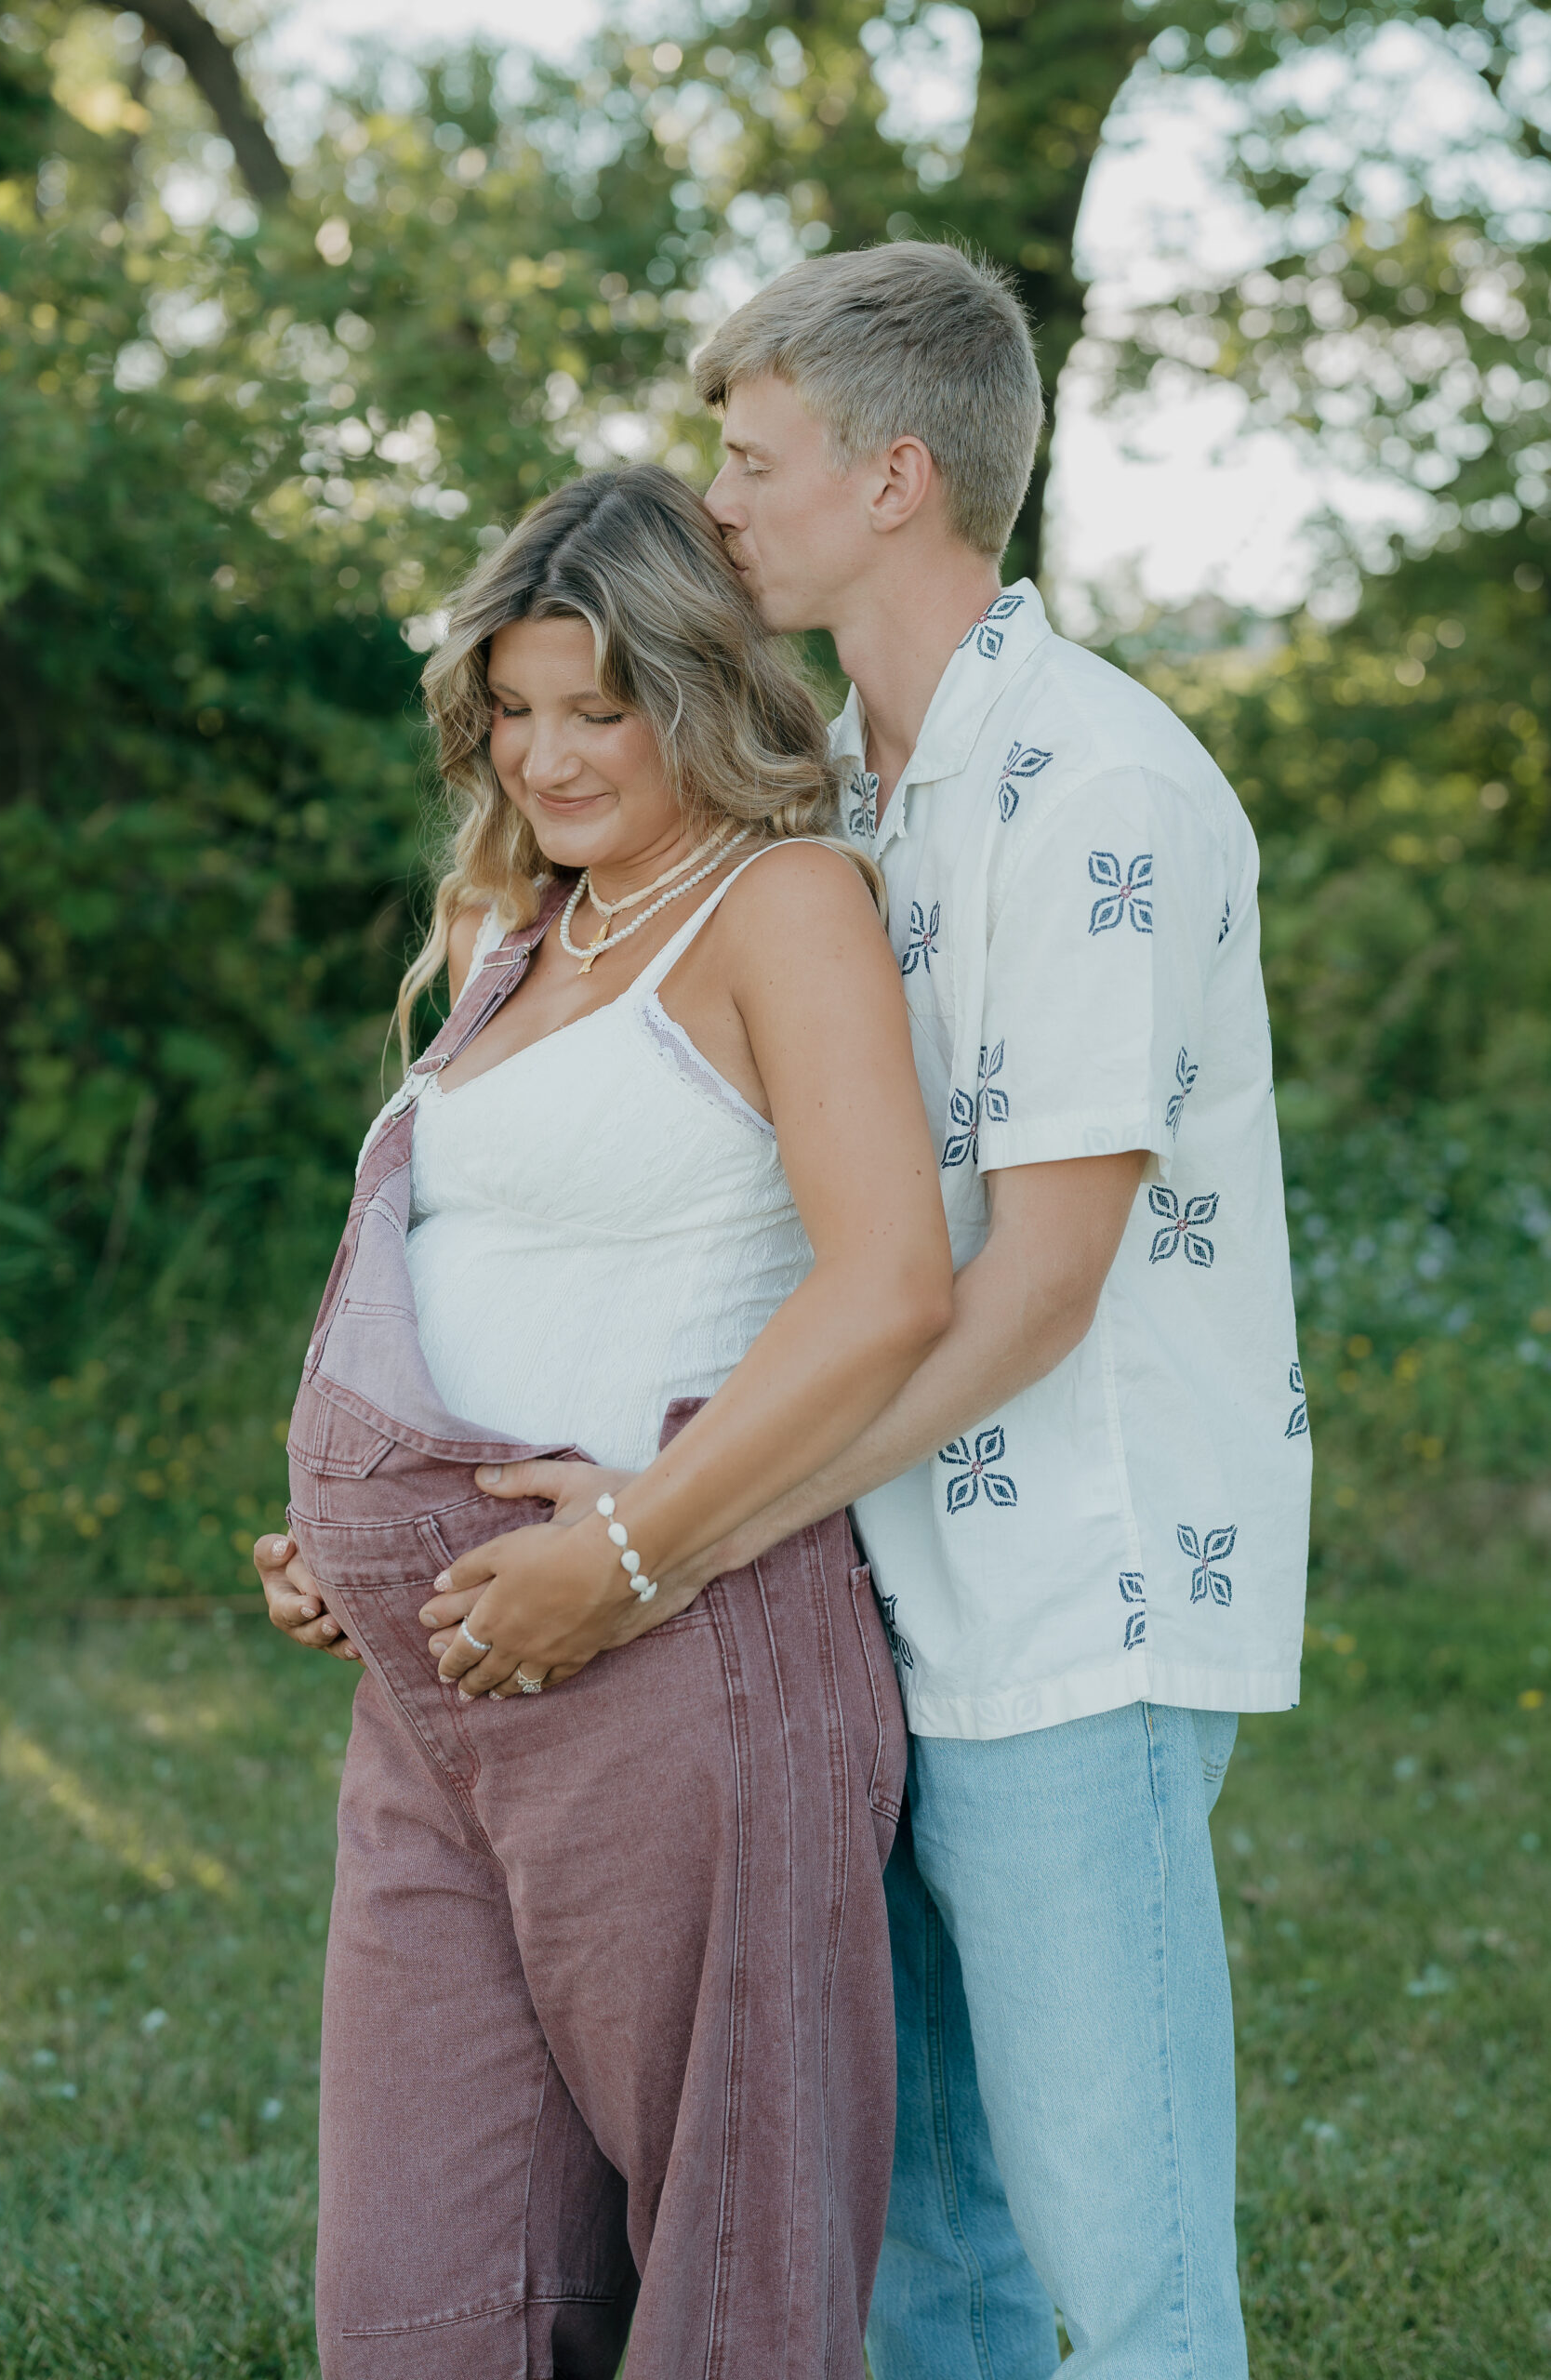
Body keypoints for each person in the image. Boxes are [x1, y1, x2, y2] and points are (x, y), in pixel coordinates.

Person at [413, 243, 1312, 2376]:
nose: (711, 508)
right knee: (930, 2245)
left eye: (751, 462)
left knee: (1122, 2262)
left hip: (1066, 1614)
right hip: (874, 1604)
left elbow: (1031, 1288)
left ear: (892, 477)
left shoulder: (1095, 792)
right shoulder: (855, 800)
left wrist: (663, 1534)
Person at [254, 463, 952, 2377]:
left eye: (599, 704)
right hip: (442, 1691)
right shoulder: (518, 926)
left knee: (733, 2271)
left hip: (683, 1656)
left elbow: (891, 1279)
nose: (546, 752)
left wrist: (629, 1544)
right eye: (512, 704)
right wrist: (348, 1530)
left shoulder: (777, 904)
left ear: (696, 689)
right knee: (420, 2284)